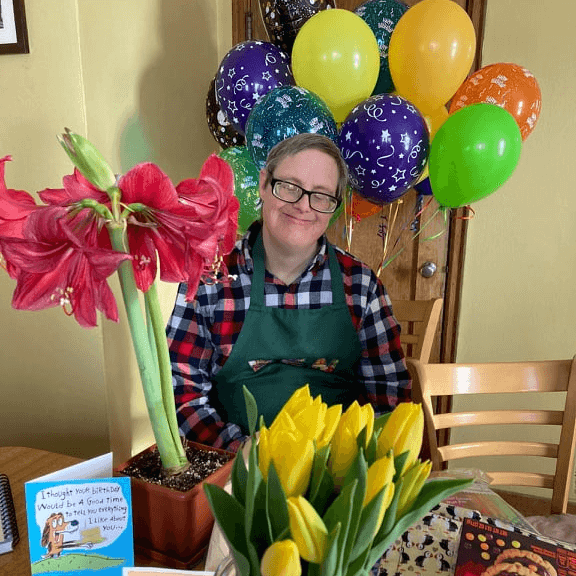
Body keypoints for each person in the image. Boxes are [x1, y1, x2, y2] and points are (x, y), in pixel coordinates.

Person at [166, 133, 411, 452]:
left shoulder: (361, 287)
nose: (302, 206)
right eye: (290, 187)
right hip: (235, 474)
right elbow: (181, 394)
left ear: (333, 207)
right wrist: (241, 451)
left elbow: (389, 401)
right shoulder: (211, 277)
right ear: (264, 184)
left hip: (335, 478)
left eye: (321, 195)